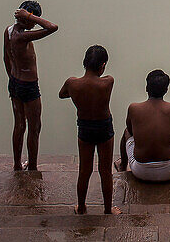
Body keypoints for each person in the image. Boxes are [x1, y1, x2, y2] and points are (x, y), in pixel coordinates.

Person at [59, 46, 121, 215]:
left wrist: (76, 94)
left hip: (85, 127)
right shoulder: (108, 82)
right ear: (103, 65)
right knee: (105, 170)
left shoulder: (72, 83)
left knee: (84, 170)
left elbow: (62, 94)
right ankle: (108, 209)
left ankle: (81, 206)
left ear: (84, 62)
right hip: (104, 127)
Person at [115, 70, 170, 182]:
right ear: (166, 90)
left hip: (140, 171)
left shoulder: (134, 108)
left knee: (126, 132)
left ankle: (123, 165)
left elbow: (131, 131)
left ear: (146, 88)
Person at [3, 0, 58, 171]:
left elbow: (6, 58)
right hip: (28, 86)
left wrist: (13, 79)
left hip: (15, 82)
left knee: (19, 124)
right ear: (26, 18)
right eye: (33, 21)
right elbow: (52, 27)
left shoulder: (9, 31)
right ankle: (32, 167)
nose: (34, 25)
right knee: (34, 127)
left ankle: (17, 165)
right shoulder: (23, 36)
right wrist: (28, 16)